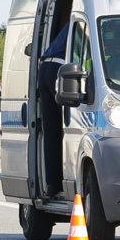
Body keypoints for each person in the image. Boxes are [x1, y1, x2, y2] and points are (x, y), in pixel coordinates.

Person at [37, 21, 69, 197]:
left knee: (52, 133)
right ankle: (69, 180)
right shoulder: (91, 13)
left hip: (46, 67)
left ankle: (53, 184)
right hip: (59, 68)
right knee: (69, 127)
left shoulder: (71, 21)